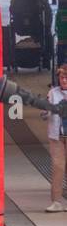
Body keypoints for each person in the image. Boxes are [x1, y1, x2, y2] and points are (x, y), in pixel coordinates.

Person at [11, 0, 52, 70]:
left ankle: (46, 57)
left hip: (44, 15)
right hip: (29, 16)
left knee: (46, 33)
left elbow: (41, 0)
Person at [46, 66, 67, 212]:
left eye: (66, 77)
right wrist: (44, 112)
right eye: (61, 77)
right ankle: (56, 202)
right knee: (58, 168)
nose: (64, 80)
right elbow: (45, 112)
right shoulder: (53, 93)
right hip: (57, 136)